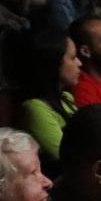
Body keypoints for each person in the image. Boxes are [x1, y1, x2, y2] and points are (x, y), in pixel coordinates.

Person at [13, 30, 81, 164]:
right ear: (53, 64)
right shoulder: (35, 108)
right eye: (73, 58)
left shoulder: (66, 97)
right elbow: (67, 157)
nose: (79, 63)